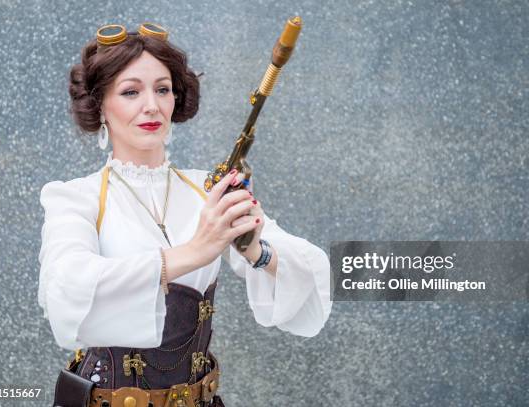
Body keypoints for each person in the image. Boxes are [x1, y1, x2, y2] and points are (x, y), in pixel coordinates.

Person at [37, 22, 331, 407]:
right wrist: (196, 250)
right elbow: (66, 289)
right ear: (100, 105)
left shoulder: (205, 190)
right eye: (130, 91)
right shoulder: (77, 198)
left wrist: (256, 251)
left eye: (163, 89)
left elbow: (314, 274)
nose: (152, 105)